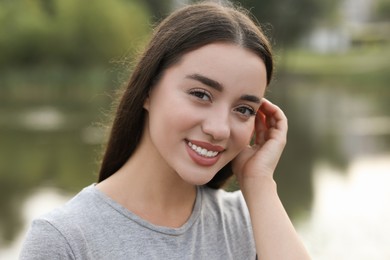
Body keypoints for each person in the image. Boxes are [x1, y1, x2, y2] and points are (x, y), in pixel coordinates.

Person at [20, 1, 310, 259]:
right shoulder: (64, 239)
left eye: (244, 109)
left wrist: (258, 183)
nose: (219, 129)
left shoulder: (250, 222)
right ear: (148, 89)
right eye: (201, 94)